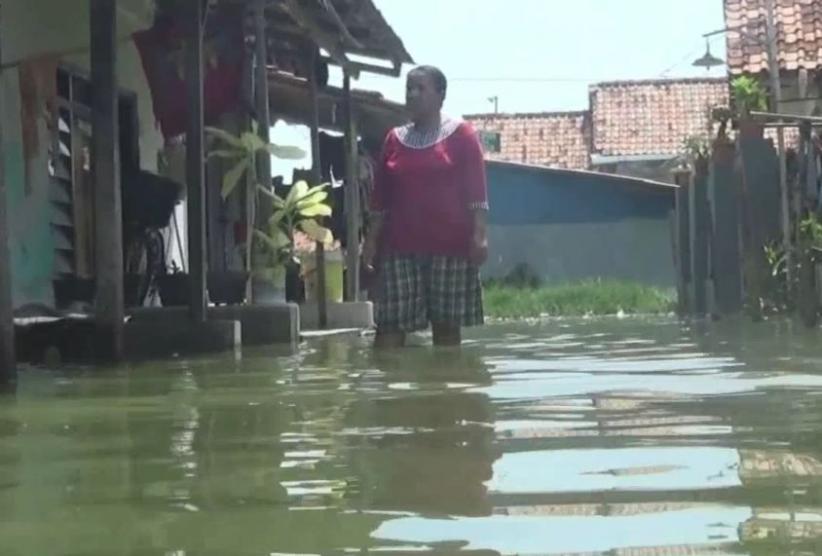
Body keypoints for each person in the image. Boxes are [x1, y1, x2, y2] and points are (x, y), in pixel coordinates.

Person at [362, 65, 489, 348]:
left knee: (445, 330)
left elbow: (477, 192)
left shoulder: (462, 135)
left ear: (441, 95)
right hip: (400, 249)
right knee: (390, 326)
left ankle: (445, 389)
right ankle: (387, 387)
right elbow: (380, 197)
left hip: (450, 248)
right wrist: (370, 241)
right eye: (409, 88)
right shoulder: (394, 139)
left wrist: (480, 235)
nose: (412, 95)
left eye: (421, 88)